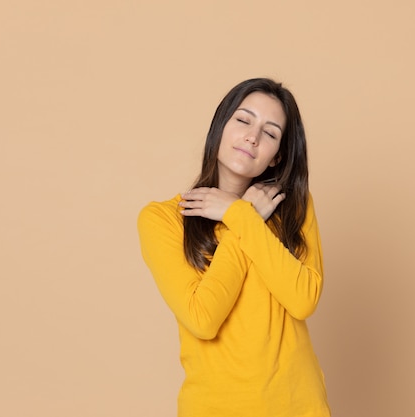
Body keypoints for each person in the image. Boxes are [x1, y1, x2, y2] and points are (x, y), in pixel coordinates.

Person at [137, 78, 330, 417]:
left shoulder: (291, 205)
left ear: (276, 157)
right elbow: (203, 319)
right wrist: (247, 216)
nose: (252, 137)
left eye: (270, 133)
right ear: (220, 128)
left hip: (299, 406)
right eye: (243, 120)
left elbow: (303, 300)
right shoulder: (164, 218)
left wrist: (237, 214)